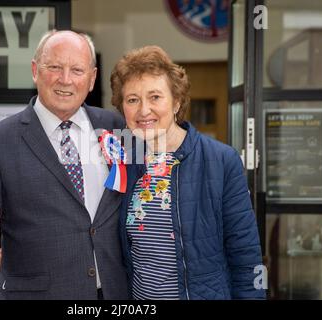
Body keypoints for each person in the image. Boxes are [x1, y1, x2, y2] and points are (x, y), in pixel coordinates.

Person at [0, 30, 128, 300]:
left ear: (92, 79)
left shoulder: (116, 127)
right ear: (35, 70)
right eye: (55, 67)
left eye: (77, 70)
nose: (65, 79)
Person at [110, 45, 266, 299]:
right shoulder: (122, 161)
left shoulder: (221, 160)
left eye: (155, 97)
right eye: (132, 99)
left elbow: (246, 257)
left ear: (177, 102)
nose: (143, 110)